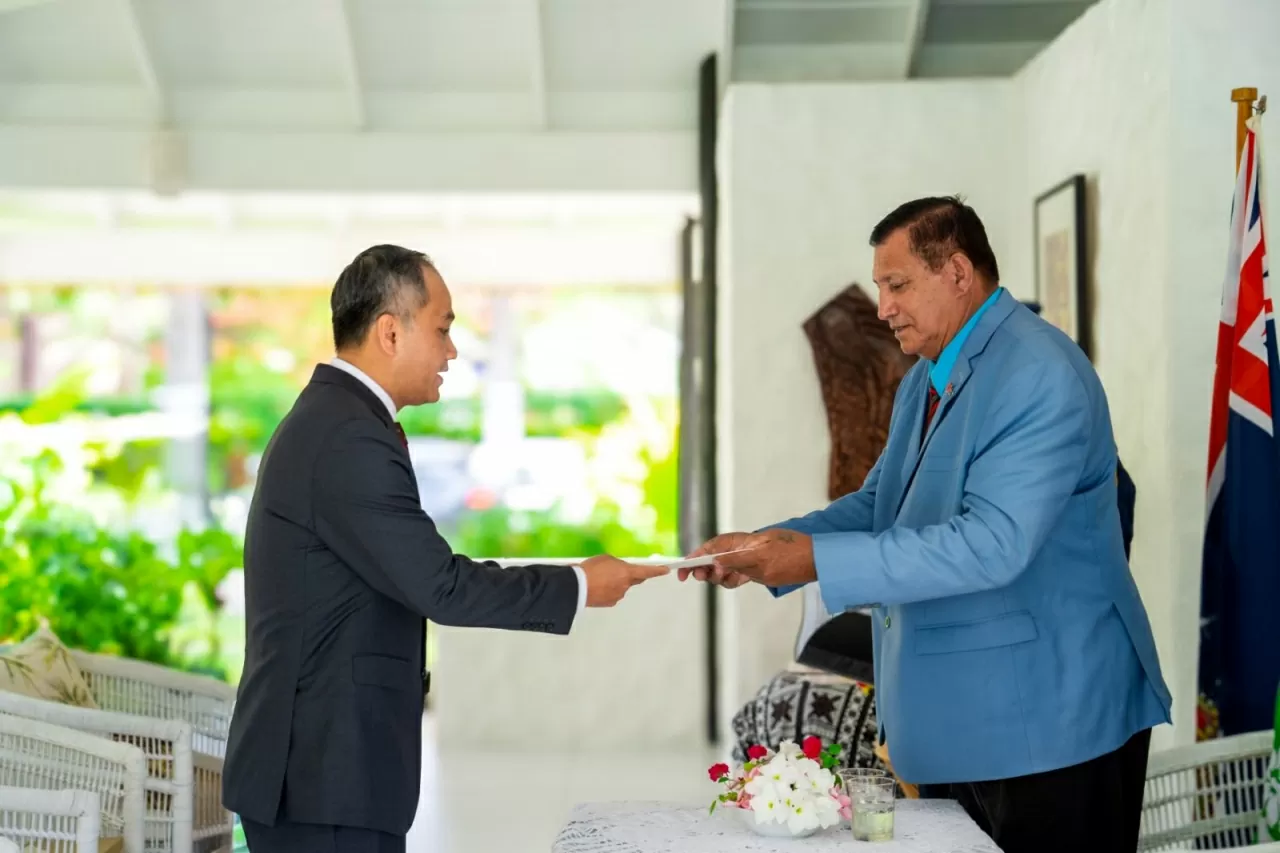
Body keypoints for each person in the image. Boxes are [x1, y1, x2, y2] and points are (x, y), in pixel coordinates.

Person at [683, 197, 1171, 853]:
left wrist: (816, 562)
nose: (883, 307)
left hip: (1050, 719)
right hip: (962, 719)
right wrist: (764, 545)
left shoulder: (1039, 373)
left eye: (898, 284)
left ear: (959, 272)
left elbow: (993, 545)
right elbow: (880, 504)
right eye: (881, 287)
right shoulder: (924, 380)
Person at [222, 244, 668, 853]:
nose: (453, 351)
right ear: (389, 332)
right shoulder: (348, 434)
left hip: (330, 771)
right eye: (442, 329)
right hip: (324, 774)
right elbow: (439, 585)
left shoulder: (340, 418)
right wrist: (580, 584)